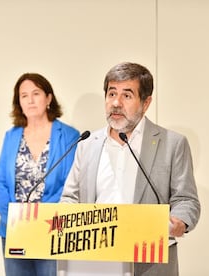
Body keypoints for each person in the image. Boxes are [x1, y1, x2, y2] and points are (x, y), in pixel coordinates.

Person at [60, 62, 201, 276]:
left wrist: (179, 222)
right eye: (111, 93)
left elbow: (186, 200)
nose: (116, 103)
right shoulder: (87, 144)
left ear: (146, 103)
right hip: (94, 262)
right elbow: (70, 197)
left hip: (149, 263)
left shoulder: (172, 143)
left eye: (127, 95)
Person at [0, 73, 80, 276]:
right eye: (24, 95)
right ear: (19, 102)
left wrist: (42, 220)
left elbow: (70, 185)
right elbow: (0, 183)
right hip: (13, 229)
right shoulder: (12, 136)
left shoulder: (68, 136)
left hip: (51, 228)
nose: (30, 100)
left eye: (36, 93)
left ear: (48, 98)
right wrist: (13, 219)